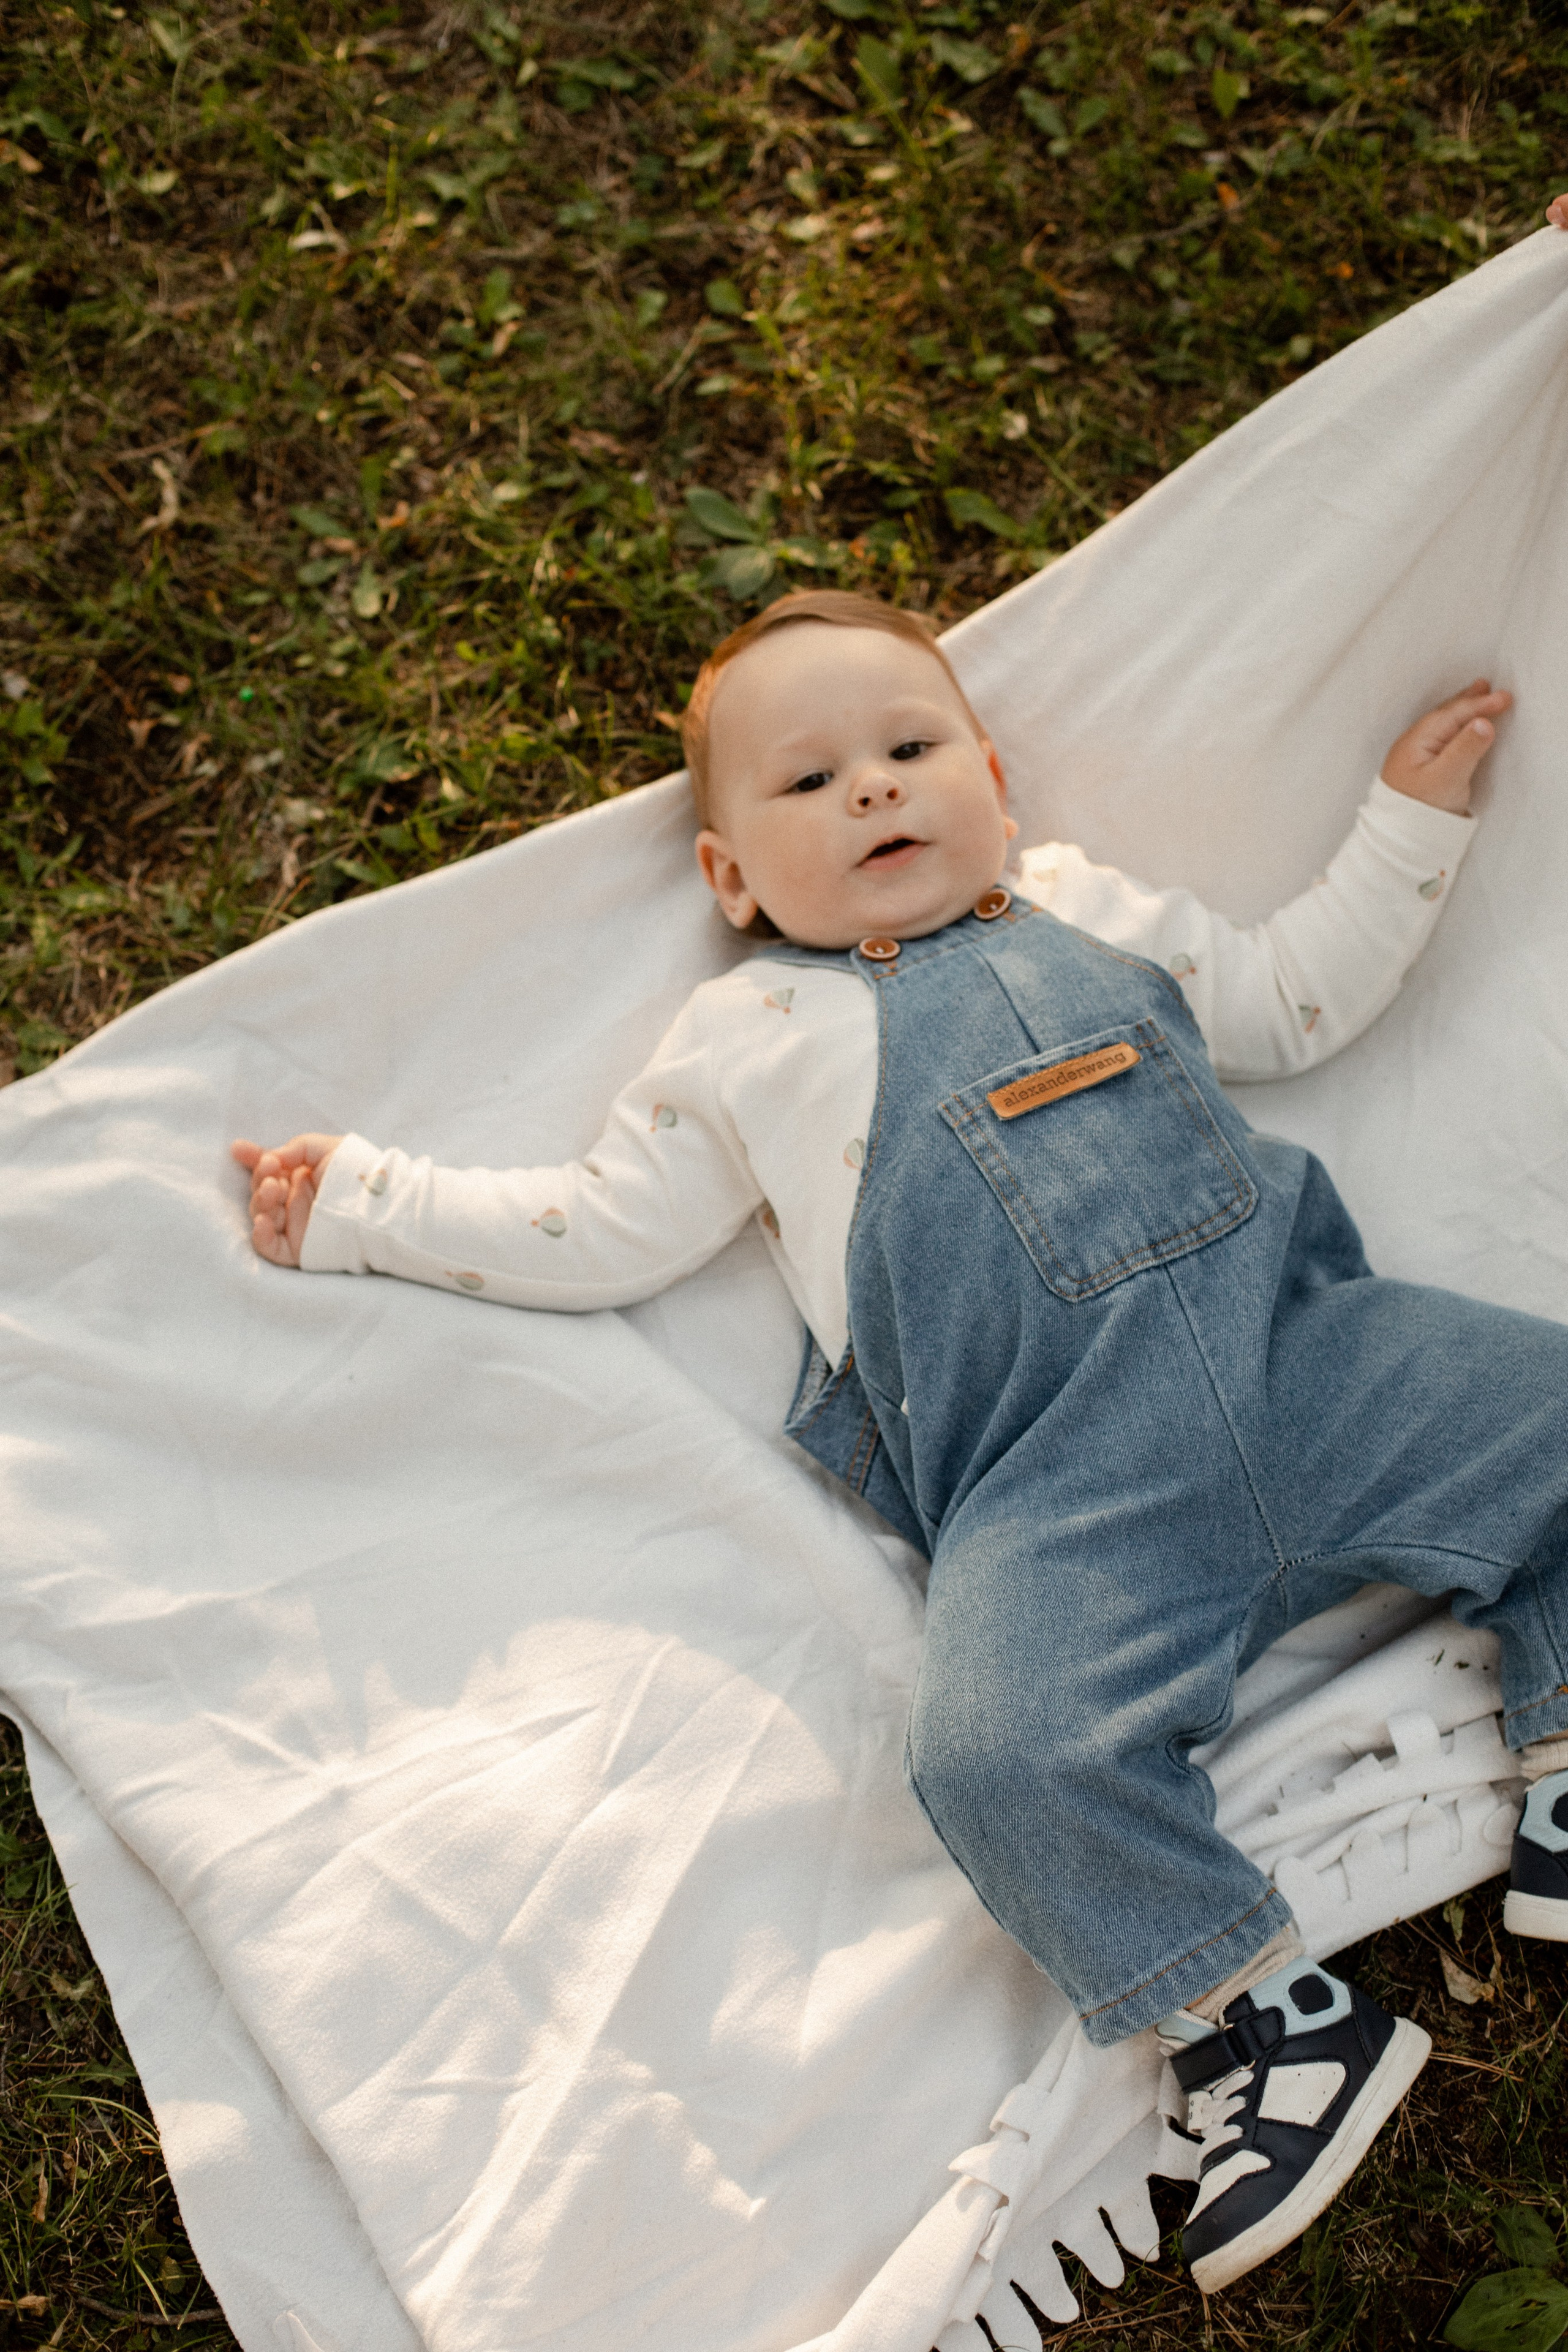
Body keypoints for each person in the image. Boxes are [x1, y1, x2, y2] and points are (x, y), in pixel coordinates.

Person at [233, 588, 1568, 2297]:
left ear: (995, 785)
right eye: (806, 784)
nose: (872, 790)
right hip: (1072, 1490)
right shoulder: (748, 1041)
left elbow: (1300, 999)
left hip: (1320, 1361)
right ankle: (1266, 2025)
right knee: (994, 1755)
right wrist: (368, 1205)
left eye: (910, 749)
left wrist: (1406, 821)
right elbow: (592, 1228)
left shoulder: (1094, 910)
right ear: (732, 883)